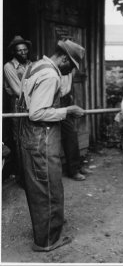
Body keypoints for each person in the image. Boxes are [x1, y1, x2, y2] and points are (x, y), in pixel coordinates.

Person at [18, 39, 86, 252]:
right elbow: (37, 113)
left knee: (39, 187)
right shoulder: (51, 75)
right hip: (41, 137)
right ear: (65, 58)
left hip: (29, 136)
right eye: (72, 66)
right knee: (48, 186)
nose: (70, 71)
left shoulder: (36, 65)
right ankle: (48, 241)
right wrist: (68, 110)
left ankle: (46, 229)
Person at [3, 36, 33, 185]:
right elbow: (17, 89)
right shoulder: (9, 67)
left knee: (30, 137)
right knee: (19, 139)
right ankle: (23, 177)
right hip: (18, 104)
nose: (23, 53)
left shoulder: (30, 64)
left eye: (25, 50)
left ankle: (31, 174)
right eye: (19, 51)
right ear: (14, 52)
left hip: (32, 103)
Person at [60, 74, 93, 181]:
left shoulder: (69, 71)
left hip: (66, 99)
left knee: (73, 135)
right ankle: (73, 170)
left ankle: (77, 166)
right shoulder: (55, 70)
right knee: (71, 134)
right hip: (57, 103)